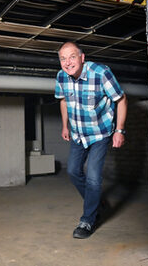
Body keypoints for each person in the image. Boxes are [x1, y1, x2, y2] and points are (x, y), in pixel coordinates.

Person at [55, 41, 128, 239]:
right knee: (72, 171)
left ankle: (88, 220)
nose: (67, 62)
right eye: (63, 58)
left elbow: (120, 99)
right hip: (78, 134)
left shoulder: (100, 73)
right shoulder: (62, 76)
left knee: (94, 177)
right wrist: (65, 125)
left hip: (100, 133)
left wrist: (119, 130)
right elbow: (63, 100)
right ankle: (96, 203)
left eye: (72, 56)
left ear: (82, 57)